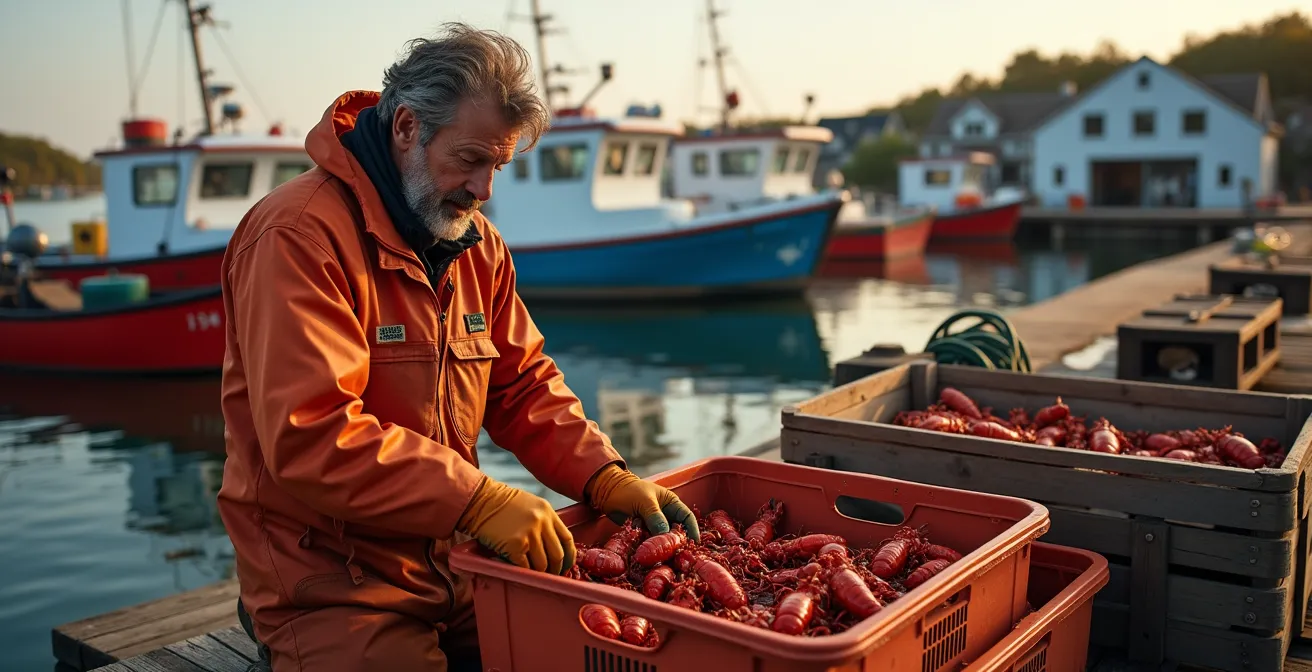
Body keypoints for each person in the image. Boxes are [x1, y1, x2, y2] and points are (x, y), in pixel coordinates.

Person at [217, 23, 700, 671]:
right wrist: (480, 500)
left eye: (498, 166)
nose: (484, 190)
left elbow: (523, 384)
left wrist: (601, 474)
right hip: (329, 585)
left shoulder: (478, 245)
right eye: (470, 159)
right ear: (408, 127)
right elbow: (312, 434)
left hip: (456, 562)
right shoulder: (297, 235)